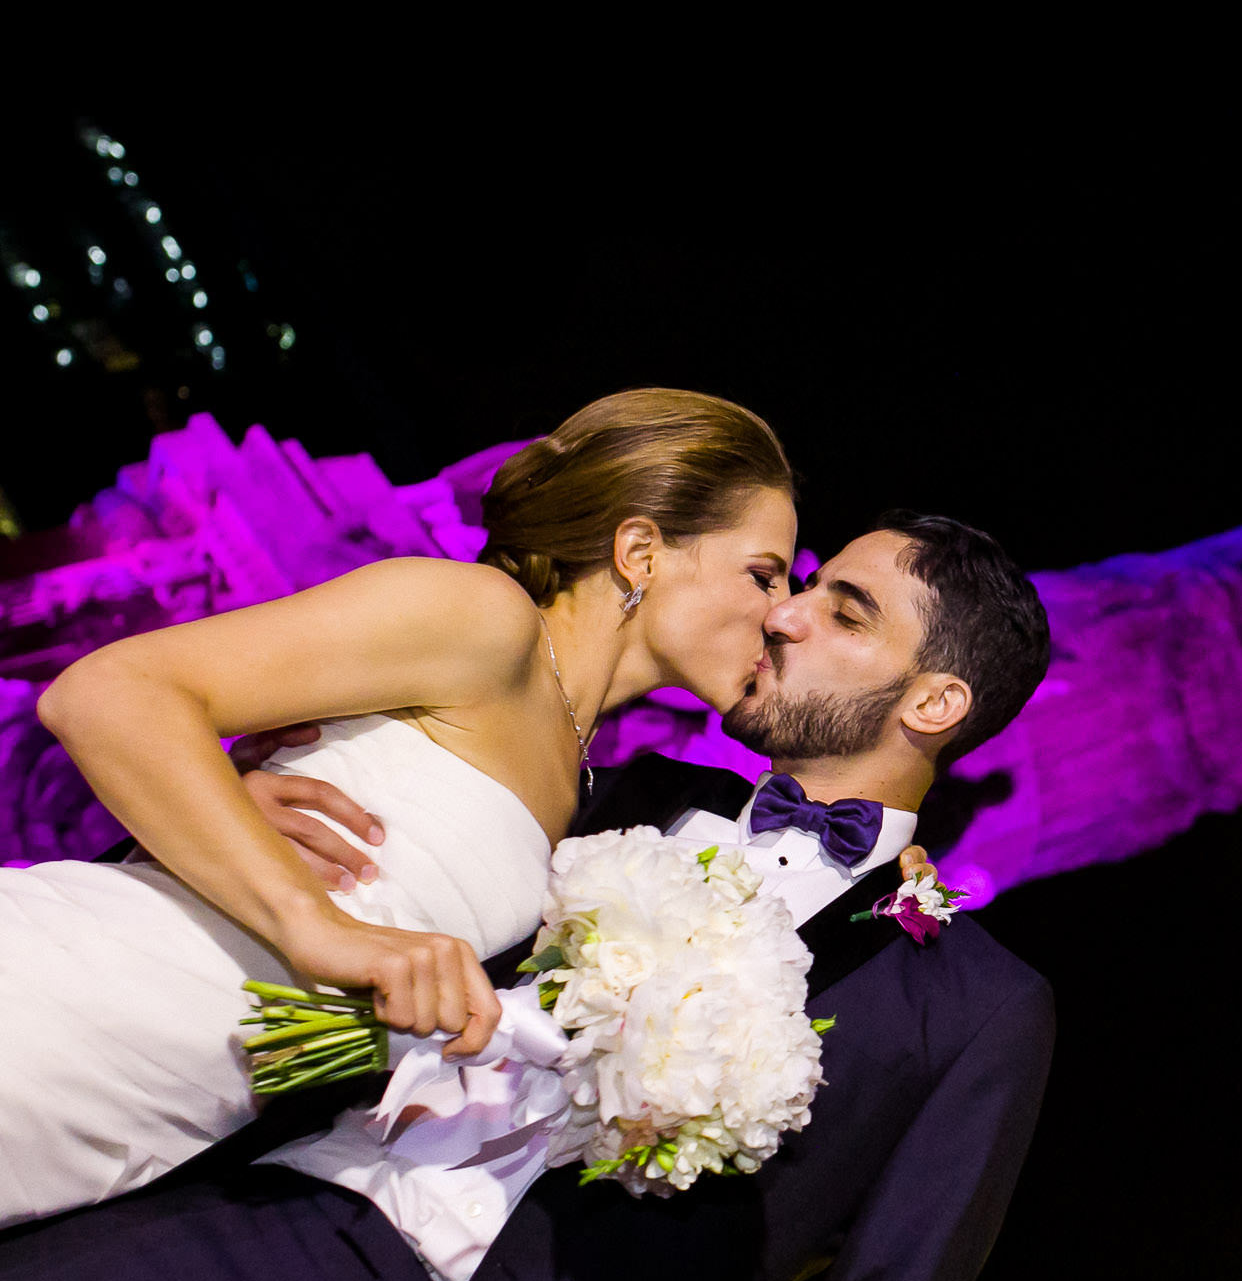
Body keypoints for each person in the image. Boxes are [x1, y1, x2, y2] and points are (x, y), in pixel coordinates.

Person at [0, 514, 1056, 1281]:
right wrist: (233, 803)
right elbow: (401, 857)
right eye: (804, 586)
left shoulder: (972, 1006)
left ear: (933, 701)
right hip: (243, 1215)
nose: (784, 616)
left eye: (844, 612)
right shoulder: (615, 791)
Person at [0, 386, 915, 1228]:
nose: (782, 614)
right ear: (640, 552)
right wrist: (314, 923)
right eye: (764, 574)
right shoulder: (486, 617)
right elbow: (108, 694)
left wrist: (891, 862)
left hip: (148, 1125)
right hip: (75, 1010)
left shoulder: (576, 779)